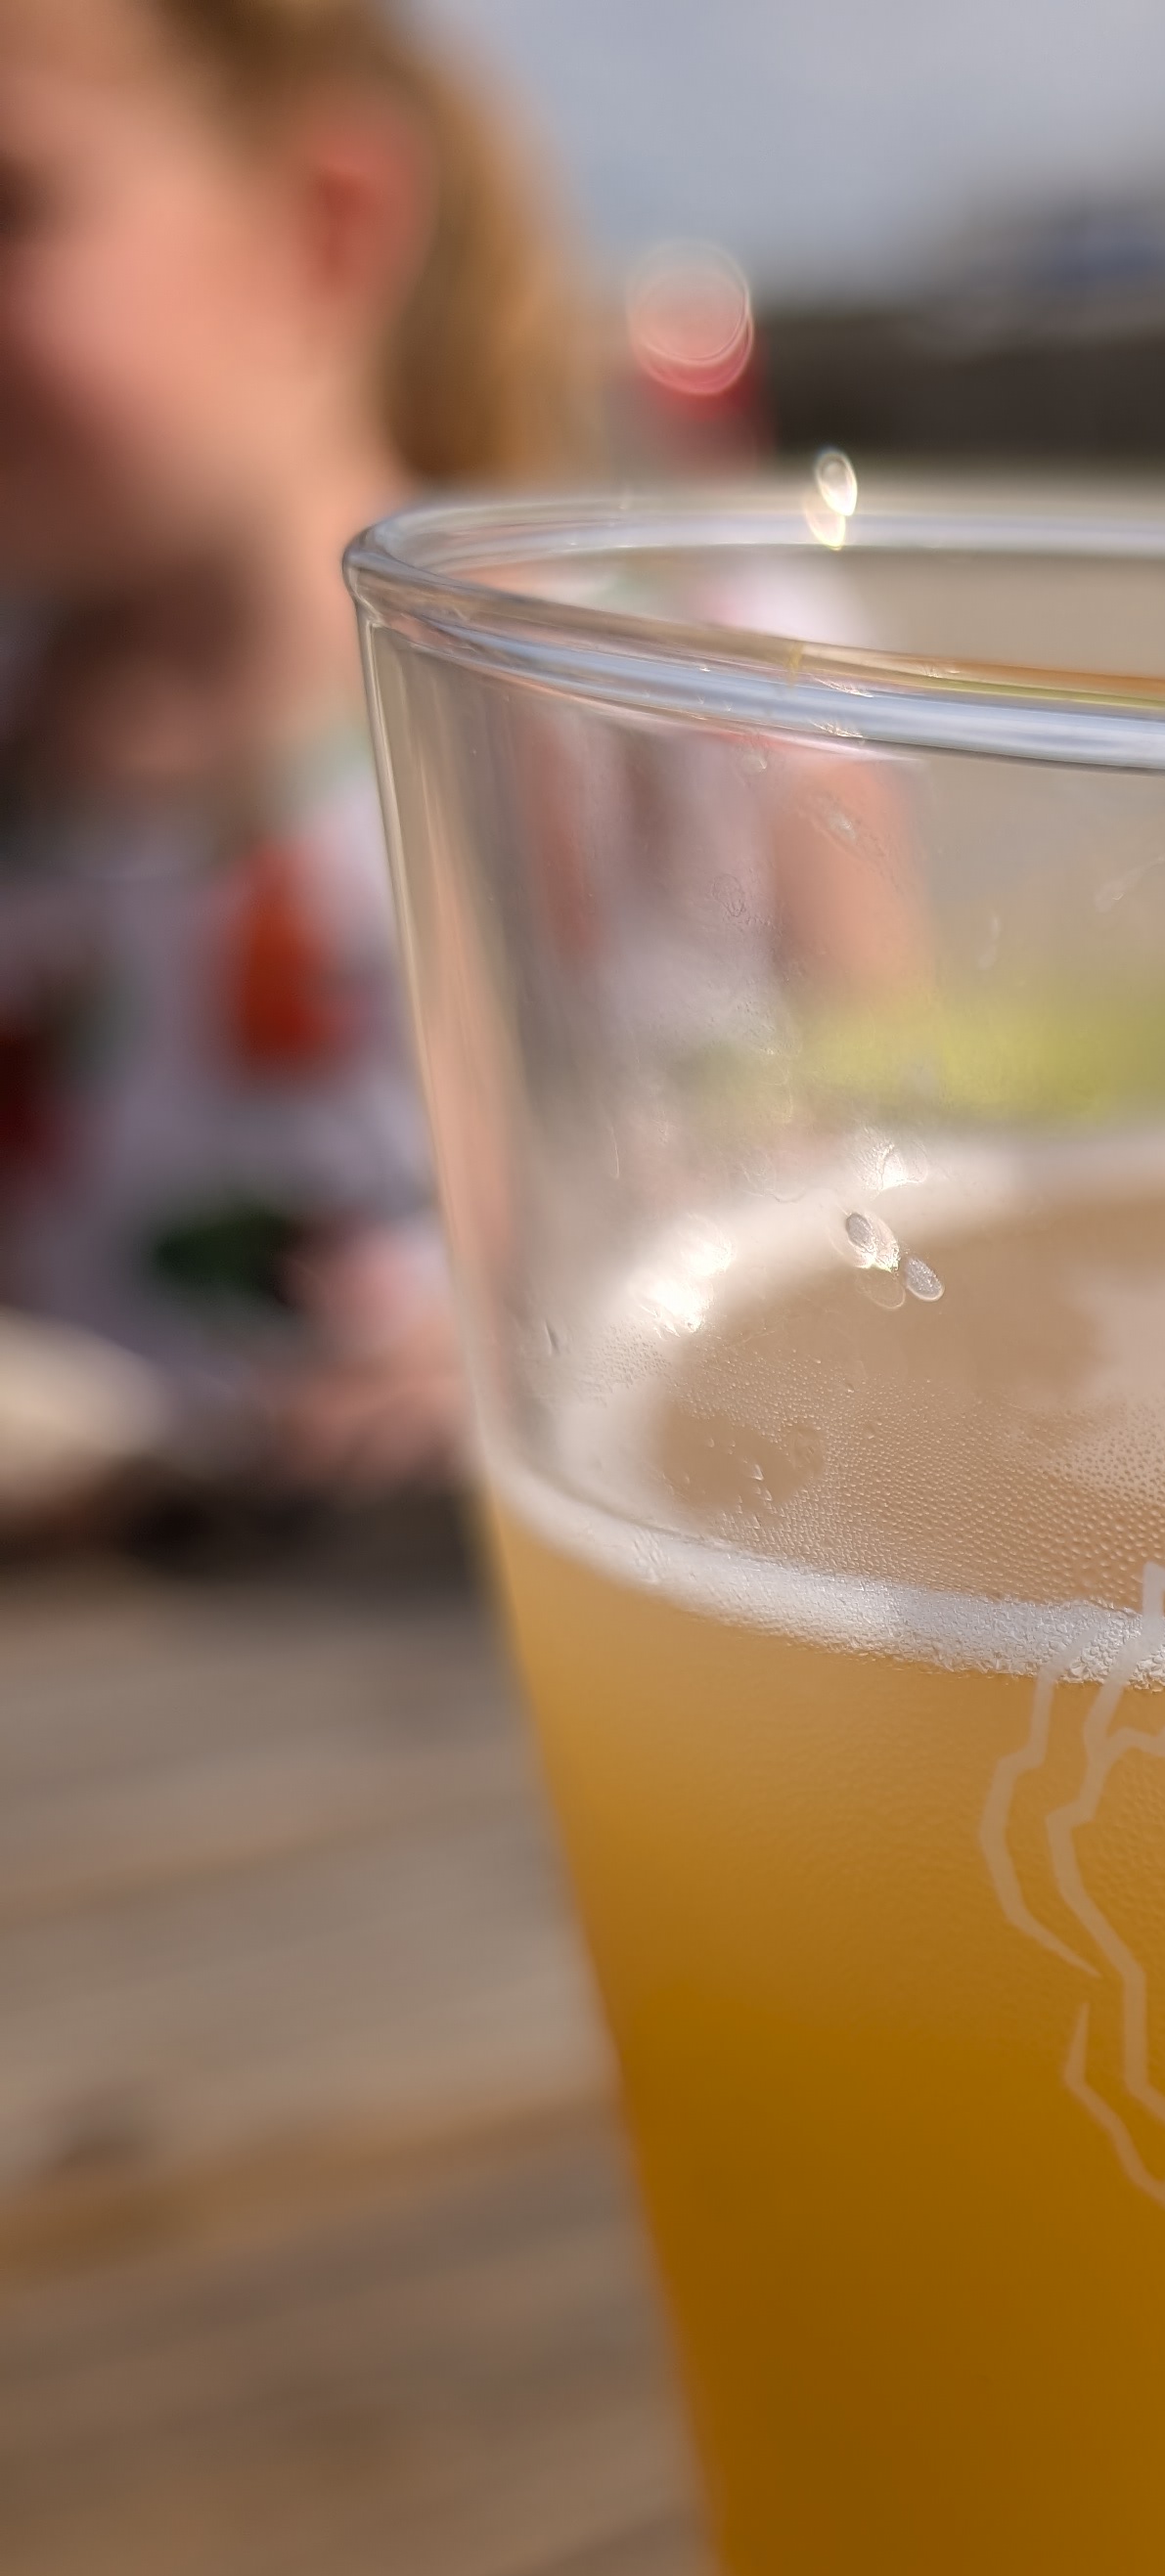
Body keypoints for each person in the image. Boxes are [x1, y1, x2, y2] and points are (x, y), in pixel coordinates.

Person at [0, 0, 588, 1529]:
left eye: (12, 207)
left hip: (418, 1630)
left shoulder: (634, 707)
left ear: (325, 224)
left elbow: (848, 1217)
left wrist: (538, 1345)